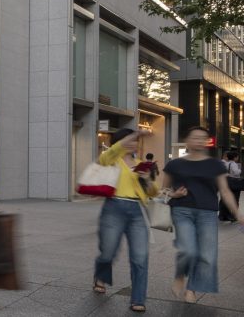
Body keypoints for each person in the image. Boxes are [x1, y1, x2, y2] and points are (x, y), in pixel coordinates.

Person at [163, 126, 244, 303]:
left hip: (207, 213)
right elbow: (164, 189)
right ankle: (179, 276)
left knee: (207, 254)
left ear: (207, 142)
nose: (199, 141)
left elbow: (225, 190)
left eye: (203, 138)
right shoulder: (174, 164)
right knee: (188, 250)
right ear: (187, 141)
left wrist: (238, 214)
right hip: (181, 210)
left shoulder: (215, 164)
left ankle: (192, 288)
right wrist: (173, 194)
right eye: (195, 137)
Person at [92, 128, 155, 313]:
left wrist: (147, 180)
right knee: (108, 252)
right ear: (119, 142)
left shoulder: (141, 164)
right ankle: (100, 276)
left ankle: (138, 298)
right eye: (129, 139)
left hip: (137, 212)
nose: (133, 143)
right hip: (114, 208)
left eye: (135, 140)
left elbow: (153, 191)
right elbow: (106, 157)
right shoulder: (111, 160)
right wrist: (132, 136)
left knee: (140, 257)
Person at [219, 151, 242, 222]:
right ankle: (234, 216)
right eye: (237, 157)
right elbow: (236, 172)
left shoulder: (226, 163)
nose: (238, 158)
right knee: (235, 199)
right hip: (234, 183)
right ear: (235, 157)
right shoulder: (234, 164)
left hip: (227, 182)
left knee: (225, 199)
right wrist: (240, 170)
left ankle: (223, 215)